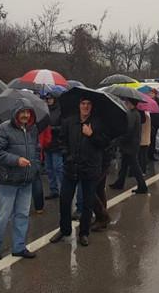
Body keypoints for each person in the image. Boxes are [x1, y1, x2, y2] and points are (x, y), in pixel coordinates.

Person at [50, 97, 109, 247]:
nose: (86, 106)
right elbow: (62, 140)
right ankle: (64, 229)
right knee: (64, 200)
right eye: (83, 103)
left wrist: (92, 135)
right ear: (79, 105)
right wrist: (66, 155)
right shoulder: (70, 121)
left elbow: (104, 143)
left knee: (87, 203)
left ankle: (84, 233)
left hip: (90, 168)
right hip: (71, 167)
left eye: (89, 104)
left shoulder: (98, 123)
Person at [0, 100, 40, 261]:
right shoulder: (4, 128)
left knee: (23, 215)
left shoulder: (32, 129)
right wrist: (16, 160)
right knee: (3, 215)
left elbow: (36, 149)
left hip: (26, 180)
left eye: (28, 112)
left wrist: (35, 166)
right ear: (16, 113)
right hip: (8, 180)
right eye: (22, 112)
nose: (25, 115)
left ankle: (19, 247)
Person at [110, 99, 148, 194]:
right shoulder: (135, 113)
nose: (125, 104)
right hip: (131, 143)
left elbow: (129, 129)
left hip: (130, 144)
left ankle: (142, 185)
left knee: (135, 166)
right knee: (124, 164)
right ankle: (120, 182)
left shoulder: (132, 114)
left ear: (131, 104)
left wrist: (119, 140)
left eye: (127, 102)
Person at [43, 91, 64, 199]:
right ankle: (53, 189)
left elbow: (64, 127)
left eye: (50, 98)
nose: (48, 100)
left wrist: (53, 129)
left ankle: (63, 190)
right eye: (47, 98)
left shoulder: (61, 111)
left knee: (58, 168)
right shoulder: (44, 110)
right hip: (47, 144)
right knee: (49, 168)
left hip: (57, 144)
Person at [139, 110, 151, 175]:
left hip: (142, 139)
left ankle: (142, 170)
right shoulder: (148, 115)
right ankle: (143, 170)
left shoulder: (142, 116)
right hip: (146, 139)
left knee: (141, 156)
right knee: (144, 155)